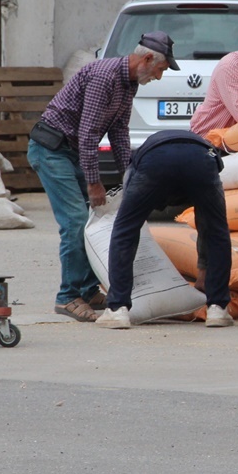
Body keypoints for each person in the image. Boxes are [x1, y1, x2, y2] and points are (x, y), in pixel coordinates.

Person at [27, 32, 177, 322]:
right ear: (147, 59)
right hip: (51, 150)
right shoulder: (104, 77)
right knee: (75, 222)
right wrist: (94, 182)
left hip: (72, 151)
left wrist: (129, 175)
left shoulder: (130, 83)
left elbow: (119, 131)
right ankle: (67, 296)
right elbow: (88, 132)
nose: (159, 76)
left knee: (92, 221)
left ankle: (87, 289)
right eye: (160, 69)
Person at [96, 129, 234, 329]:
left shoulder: (136, 165)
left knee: (125, 230)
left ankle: (117, 310)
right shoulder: (202, 151)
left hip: (155, 162)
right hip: (201, 160)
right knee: (216, 230)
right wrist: (204, 269)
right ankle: (218, 308)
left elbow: (127, 218)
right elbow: (208, 229)